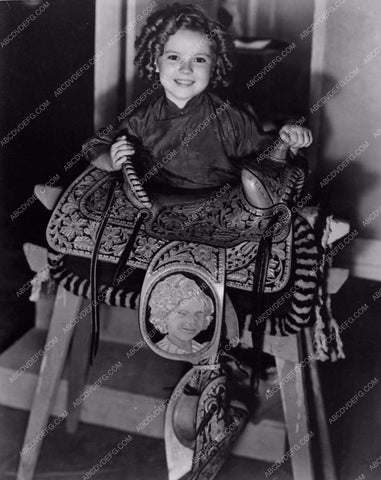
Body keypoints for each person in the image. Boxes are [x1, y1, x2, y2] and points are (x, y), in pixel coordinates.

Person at [83, 3, 313, 190]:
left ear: (214, 67)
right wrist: (110, 160)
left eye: (199, 59)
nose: (186, 69)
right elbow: (96, 145)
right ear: (155, 62)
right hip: (158, 206)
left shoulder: (232, 117)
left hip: (223, 209)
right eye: (174, 57)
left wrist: (291, 137)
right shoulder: (141, 120)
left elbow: (272, 158)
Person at [148, 274, 214, 354]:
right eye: (182, 314)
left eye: (198, 315)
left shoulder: (202, 349)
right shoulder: (158, 351)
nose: (192, 321)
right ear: (164, 315)